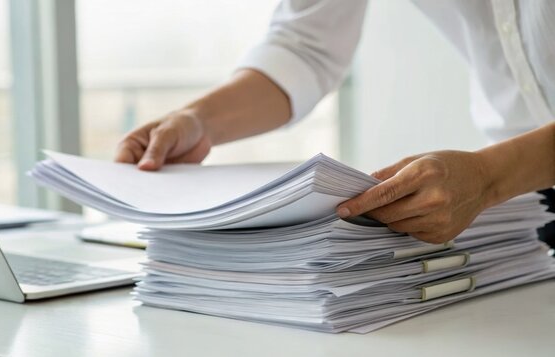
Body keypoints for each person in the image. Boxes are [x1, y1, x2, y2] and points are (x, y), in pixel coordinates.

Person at [114, 0, 555, 247]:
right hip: (525, 200)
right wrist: (198, 119)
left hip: (506, 178)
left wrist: (488, 176)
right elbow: (307, 46)